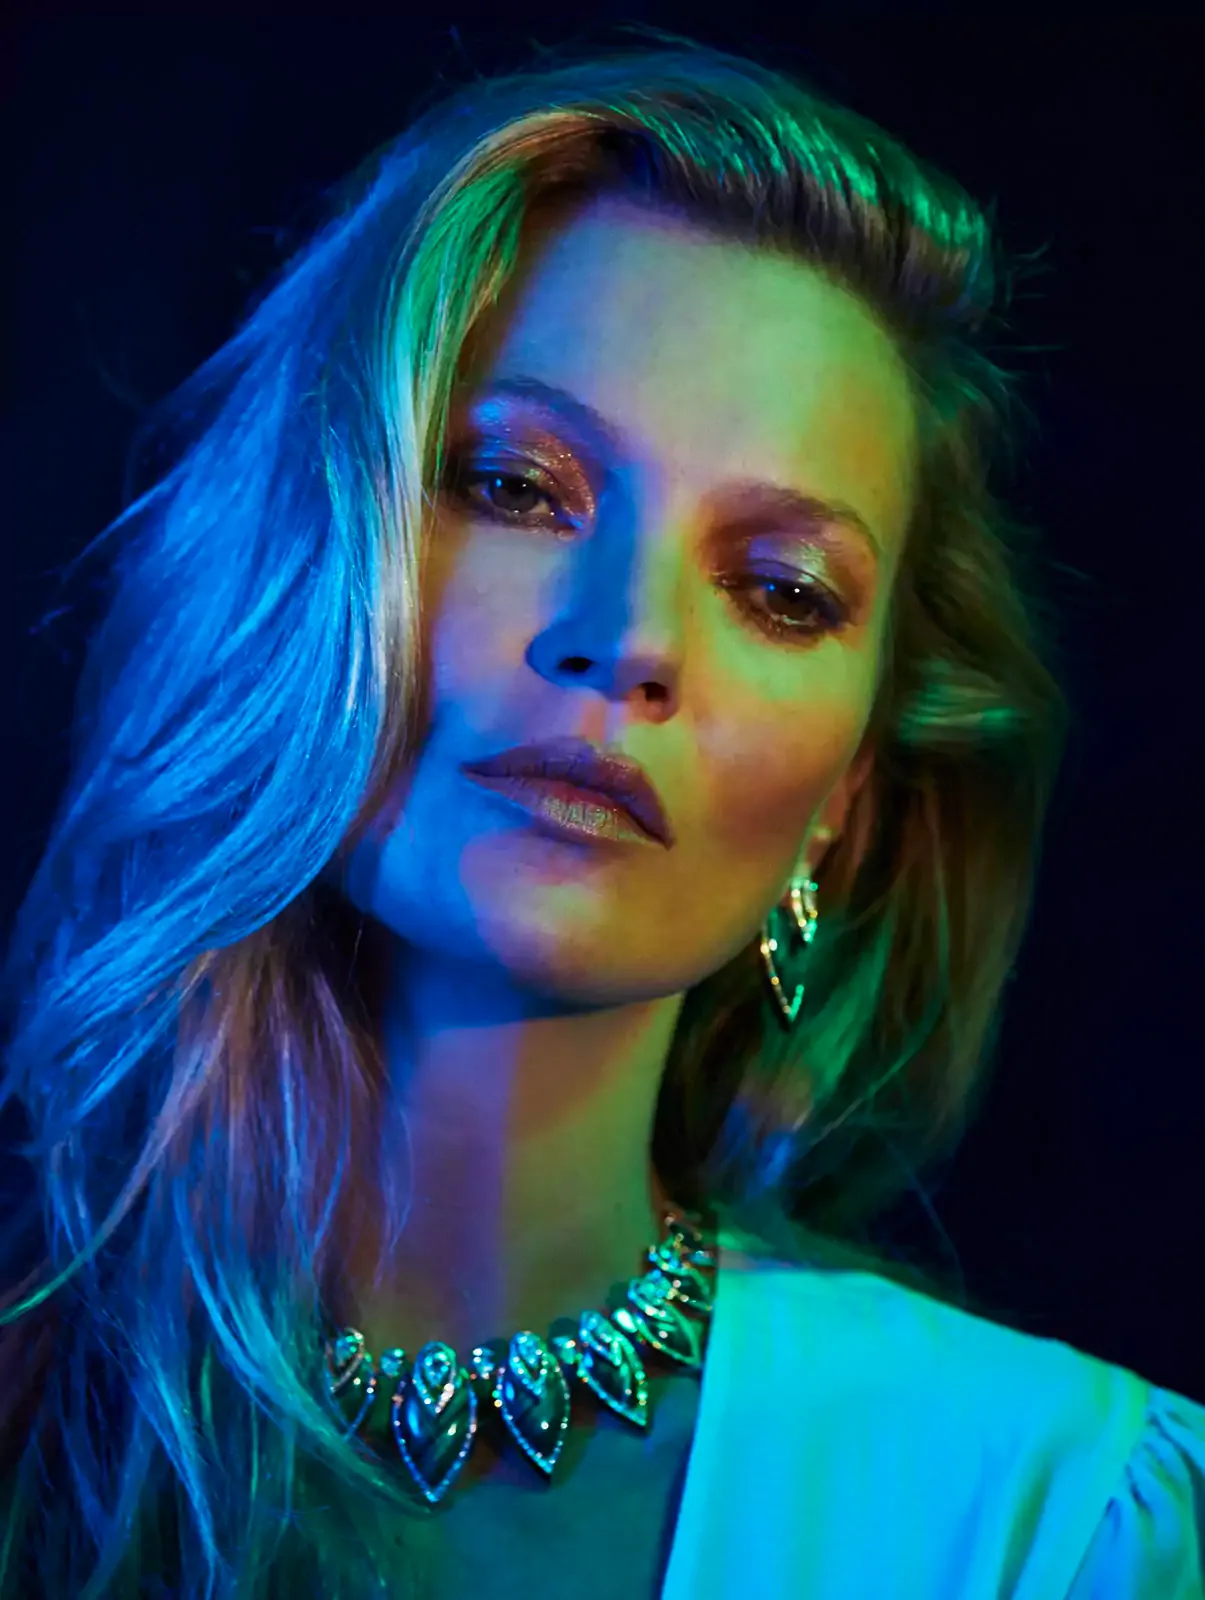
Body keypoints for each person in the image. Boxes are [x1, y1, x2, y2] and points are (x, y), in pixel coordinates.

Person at [1, 24, 1201, 1600]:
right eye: (518, 488)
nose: (631, 638)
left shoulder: (1049, 1518)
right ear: (305, 553)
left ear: (842, 807)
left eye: (781, 589)